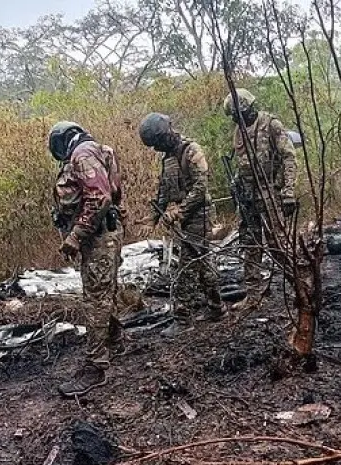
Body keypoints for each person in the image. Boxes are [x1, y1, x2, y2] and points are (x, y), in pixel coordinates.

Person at [48, 121, 125, 397]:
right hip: (105, 235)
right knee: (104, 293)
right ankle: (116, 339)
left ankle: (95, 368)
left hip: (99, 237)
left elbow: (100, 197)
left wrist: (75, 236)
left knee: (95, 299)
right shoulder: (96, 151)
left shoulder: (82, 155)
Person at [138, 112, 223, 337]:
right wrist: (153, 217)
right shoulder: (167, 158)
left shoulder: (191, 151)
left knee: (186, 266)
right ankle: (217, 308)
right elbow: (164, 191)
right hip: (186, 218)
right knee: (203, 262)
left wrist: (179, 212)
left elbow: (200, 188)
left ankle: (183, 319)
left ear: (166, 135)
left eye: (157, 143)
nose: (156, 148)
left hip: (200, 215)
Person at [222, 88, 298, 313]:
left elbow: (289, 157)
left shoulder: (271, 125)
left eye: (237, 115)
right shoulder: (239, 132)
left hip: (270, 194)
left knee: (278, 246)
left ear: (247, 109)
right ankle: (254, 296)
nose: (236, 120)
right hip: (248, 198)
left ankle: (298, 288)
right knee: (250, 246)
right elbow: (242, 163)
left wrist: (288, 191)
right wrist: (236, 184)